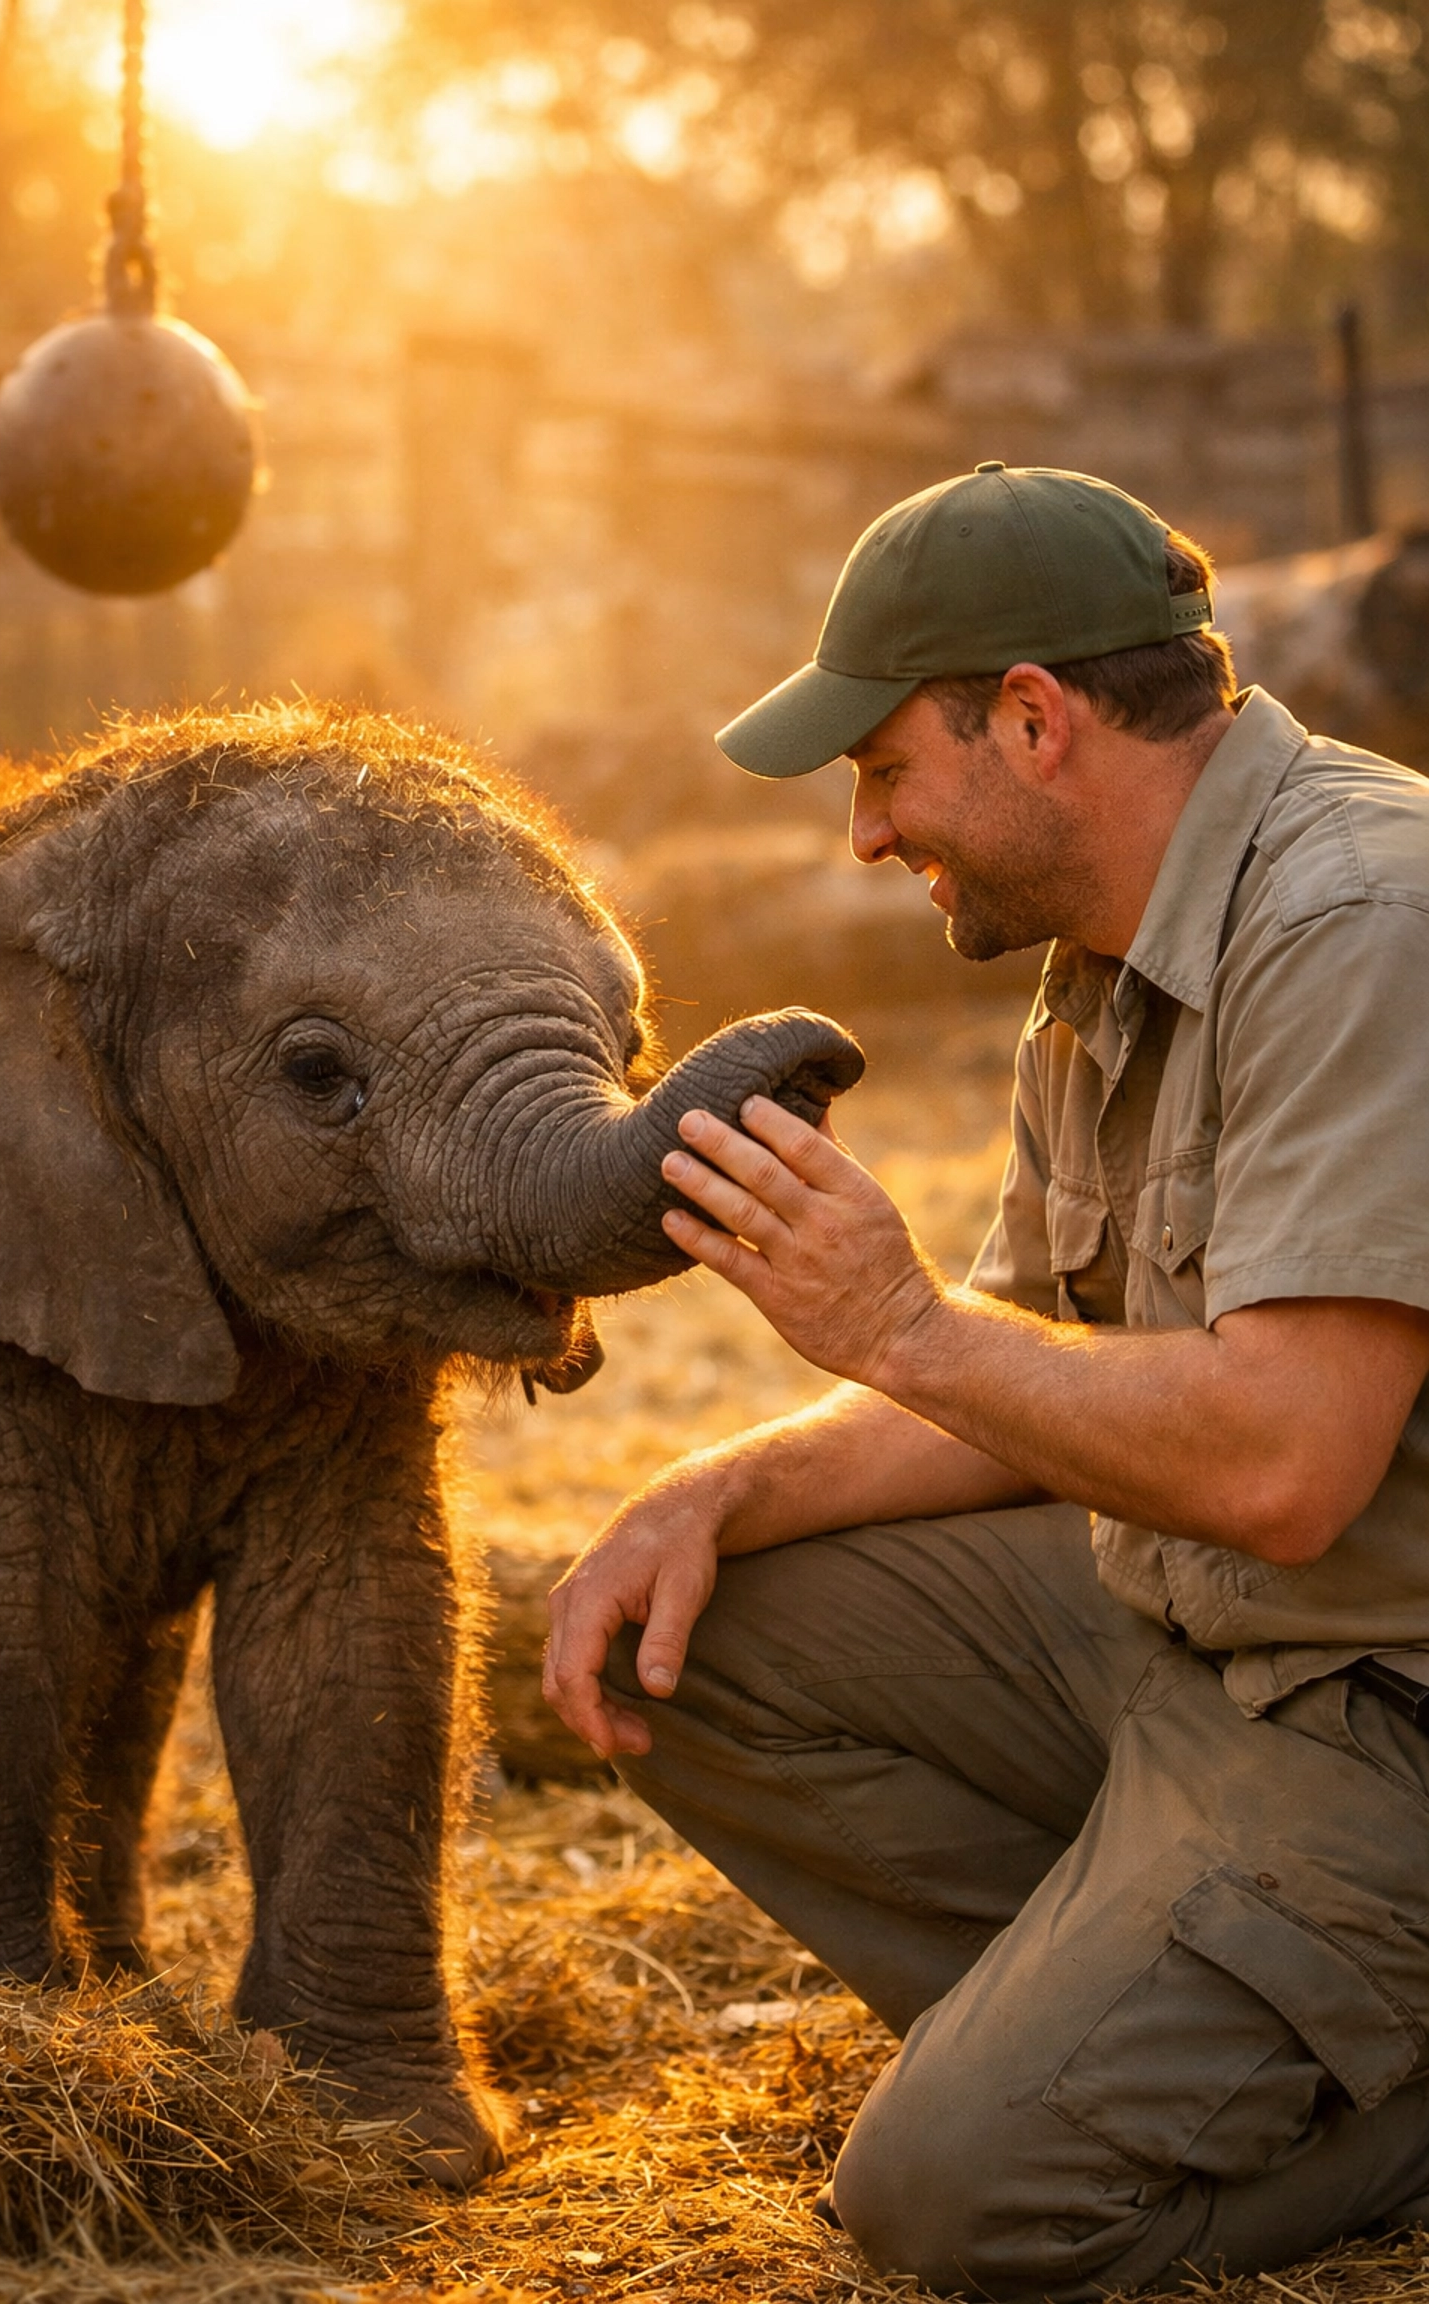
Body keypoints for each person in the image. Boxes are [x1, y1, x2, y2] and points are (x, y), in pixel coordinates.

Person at [541, 462, 1429, 2298]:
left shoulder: (1361, 922)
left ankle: (1349, 2094)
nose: (863, 839)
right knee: (707, 1627)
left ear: (1031, 722)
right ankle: (1150, 2007)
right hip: (1201, 1638)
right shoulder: (1098, 966)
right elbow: (1023, 1386)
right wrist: (712, 1491)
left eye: (878, 773)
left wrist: (902, 1325)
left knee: (952, 2203)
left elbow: (1285, 1469)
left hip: (1376, 1702)